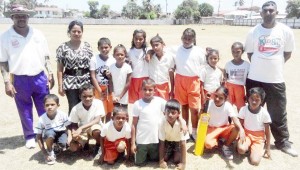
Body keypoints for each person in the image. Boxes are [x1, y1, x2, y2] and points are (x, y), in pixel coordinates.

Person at [245, 1, 298, 157]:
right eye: (265, 10)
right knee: (253, 110)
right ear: (261, 13)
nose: (268, 13)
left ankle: (282, 142)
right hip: (255, 79)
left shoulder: (286, 31)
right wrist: (261, 65)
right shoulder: (253, 31)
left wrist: (274, 64)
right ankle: (250, 137)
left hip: (276, 79)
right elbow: (250, 54)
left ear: (276, 13)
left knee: (278, 113)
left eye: (271, 10)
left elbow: (287, 53)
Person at [0, 5, 54, 149]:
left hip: (39, 77)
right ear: (12, 17)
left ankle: (46, 132)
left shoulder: (38, 34)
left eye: (24, 15)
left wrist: (50, 73)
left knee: (45, 106)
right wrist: (6, 82)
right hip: (19, 79)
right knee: (24, 109)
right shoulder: (5, 37)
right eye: (17, 16)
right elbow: (3, 61)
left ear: (28, 17)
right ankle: (29, 136)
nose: (21, 18)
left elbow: (46, 56)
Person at [173, 28, 206, 141]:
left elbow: (204, 64)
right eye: (185, 38)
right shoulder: (176, 49)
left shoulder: (199, 51)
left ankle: (195, 131)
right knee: (184, 106)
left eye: (189, 39)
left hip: (194, 81)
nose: (187, 41)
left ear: (194, 39)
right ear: (181, 38)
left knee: (194, 109)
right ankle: (185, 130)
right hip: (180, 79)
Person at [56, 20, 93, 114]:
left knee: (86, 106)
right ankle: (72, 128)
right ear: (69, 32)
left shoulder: (87, 46)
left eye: (79, 31)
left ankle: (85, 128)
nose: (76, 33)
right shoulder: (63, 47)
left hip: (85, 80)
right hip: (70, 81)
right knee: (73, 107)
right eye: (74, 31)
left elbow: (92, 66)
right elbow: (60, 69)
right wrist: (60, 86)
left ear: (82, 32)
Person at [131, 78, 166, 166]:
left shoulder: (160, 101)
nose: (147, 92)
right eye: (145, 89)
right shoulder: (137, 104)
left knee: (154, 160)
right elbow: (134, 124)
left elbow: (172, 109)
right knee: (139, 163)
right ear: (141, 89)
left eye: (150, 90)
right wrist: (133, 143)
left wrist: (182, 121)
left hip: (155, 140)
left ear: (155, 90)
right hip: (142, 140)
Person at [204, 86, 245, 160]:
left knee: (236, 128)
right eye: (216, 96)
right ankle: (219, 140)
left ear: (226, 99)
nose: (217, 99)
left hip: (224, 128)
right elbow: (201, 117)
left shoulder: (228, 105)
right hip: (212, 129)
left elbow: (235, 119)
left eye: (221, 98)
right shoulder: (209, 103)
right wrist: (204, 104)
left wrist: (241, 129)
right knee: (208, 145)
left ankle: (226, 145)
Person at [67, 84, 105, 156]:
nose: (87, 99)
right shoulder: (75, 108)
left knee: (96, 130)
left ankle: (98, 145)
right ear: (80, 97)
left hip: (94, 127)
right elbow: (74, 124)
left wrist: (81, 128)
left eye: (90, 96)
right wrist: (74, 134)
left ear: (94, 95)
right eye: (84, 96)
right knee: (73, 148)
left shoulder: (98, 103)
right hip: (83, 131)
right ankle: (85, 143)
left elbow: (97, 120)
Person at [237, 87, 271, 166]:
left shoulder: (264, 113)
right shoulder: (243, 109)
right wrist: (240, 133)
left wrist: (268, 148)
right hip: (246, 134)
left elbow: (267, 132)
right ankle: (246, 146)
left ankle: (256, 148)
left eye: (257, 99)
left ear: (261, 101)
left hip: (258, 138)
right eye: (251, 98)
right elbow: (239, 124)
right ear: (248, 99)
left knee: (255, 162)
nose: (254, 101)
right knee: (241, 150)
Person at [36, 94, 69, 165]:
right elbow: (38, 137)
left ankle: (57, 146)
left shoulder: (63, 115)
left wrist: (69, 138)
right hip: (50, 134)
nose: (49, 107)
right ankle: (50, 151)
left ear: (58, 105)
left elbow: (68, 127)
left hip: (60, 132)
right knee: (50, 134)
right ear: (44, 106)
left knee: (64, 144)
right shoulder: (42, 119)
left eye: (52, 104)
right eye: (47, 105)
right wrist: (45, 153)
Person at [90, 37, 115, 122]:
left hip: (109, 88)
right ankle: (100, 128)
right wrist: (99, 90)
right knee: (100, 109)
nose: (104, 50)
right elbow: (93, 76)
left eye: (106, 47)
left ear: (110, 47)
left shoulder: (113, 59)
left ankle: (107, 127)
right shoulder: (94, 59)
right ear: (98, 48)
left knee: (109, 109)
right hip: (98, 87)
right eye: (102, 48)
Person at [159, 99, 188, 170]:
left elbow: (183, 143)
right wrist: (161, 161)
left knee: (176, 160)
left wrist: (183, 163)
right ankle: (170, 150)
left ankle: (175, 150)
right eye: (168, 112)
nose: (170, 115)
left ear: (178, 114)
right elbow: (161, 142)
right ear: (164, 112)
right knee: (165, 158)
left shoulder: (181, 124)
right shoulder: (161, 122)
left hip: (178, 142)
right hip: (167, 142)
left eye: (173, 112)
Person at [224, 42, 250, 111]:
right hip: (229, 87)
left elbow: (248, 80)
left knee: (241, 107)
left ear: (242, 51)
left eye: (238, 52)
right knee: (228, 106)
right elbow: (225, 77)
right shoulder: (228, 64)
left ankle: (240, 121)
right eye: (233, 52)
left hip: (240, 88)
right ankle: (228, 121)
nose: (235, 54)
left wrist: (247, 93)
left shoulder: (247, 65)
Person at [148, 34, 175, 100]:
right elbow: (147, 55)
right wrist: (148, 53)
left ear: (163, 44)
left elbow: (171, 75)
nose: (155, 48)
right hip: (152, 86)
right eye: (153, 46)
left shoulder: (169, 57)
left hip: (164, 86)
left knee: (164, 107)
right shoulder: (151, 56)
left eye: (157, 45)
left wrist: (172, 90)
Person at [127, 29, 149, 104]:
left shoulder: (148, 50)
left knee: (145, 102)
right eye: (136, 39)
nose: (138, 41)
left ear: (144, 39)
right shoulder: (129, 51)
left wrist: (150, 53)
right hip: (133, 79)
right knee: (135, 103)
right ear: (133, 38)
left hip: (145, 79)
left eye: (140, 39)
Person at [109, 44, 132, 109]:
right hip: (114, 96)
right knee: (116, 114)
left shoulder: (128, 68)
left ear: (125, 55)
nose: (120, 56)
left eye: (122, 54)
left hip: (124, 96)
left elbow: (128, 83)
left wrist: (120, 97)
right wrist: (113, 95)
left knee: (124, 114)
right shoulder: (111, 67)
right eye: (117, 54)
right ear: (114, 55)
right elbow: (110, 82)